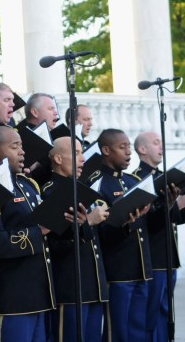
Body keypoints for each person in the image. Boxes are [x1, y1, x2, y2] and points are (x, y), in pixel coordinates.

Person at [132, 131, 185, 342]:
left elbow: (172, 218)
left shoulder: (163, 177)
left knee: (165, 314)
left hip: (168, 257)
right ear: (142, 149)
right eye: (156, 142)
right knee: (151, 316)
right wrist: (180, 203)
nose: (162, 146)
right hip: (154, 257)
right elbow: (149, 221)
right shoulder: (138, 179)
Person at [0, 126, 55, 341]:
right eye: (14, 147)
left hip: (38, 292)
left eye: (21, 146)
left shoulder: (27, 184)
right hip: (11, 295)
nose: (22, 152)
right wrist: (38, 232)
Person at [87, 128, 152, 342]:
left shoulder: (133, 182)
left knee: (139, 330)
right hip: (117, 272)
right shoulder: (97, 184)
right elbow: (101, 233)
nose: (129, 152)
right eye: (122, 147)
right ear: (106, 150)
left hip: (141, 268)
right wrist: (124, 223)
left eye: (128, 146)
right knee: (118, 332)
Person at [42, 136, 109, 342]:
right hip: (70, 285)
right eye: (77, 153)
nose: (83, 159)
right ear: (59, 159)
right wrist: (88, 221)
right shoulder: (51, 190)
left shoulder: (79, 187)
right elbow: (53, 242)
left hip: (92, 283)